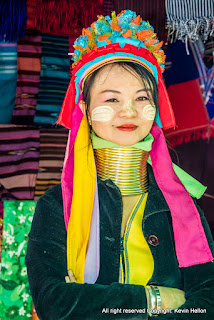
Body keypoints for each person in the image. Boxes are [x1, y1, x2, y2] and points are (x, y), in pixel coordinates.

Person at [26, 10, 214, 320]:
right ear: (84, 108)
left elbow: (206, 303)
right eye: (112, 100)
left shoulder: (180, 207)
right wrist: (155, 298)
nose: (129, 112)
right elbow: (54, 303)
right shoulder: (57, 205)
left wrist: (96, 303)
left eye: (141, 98)